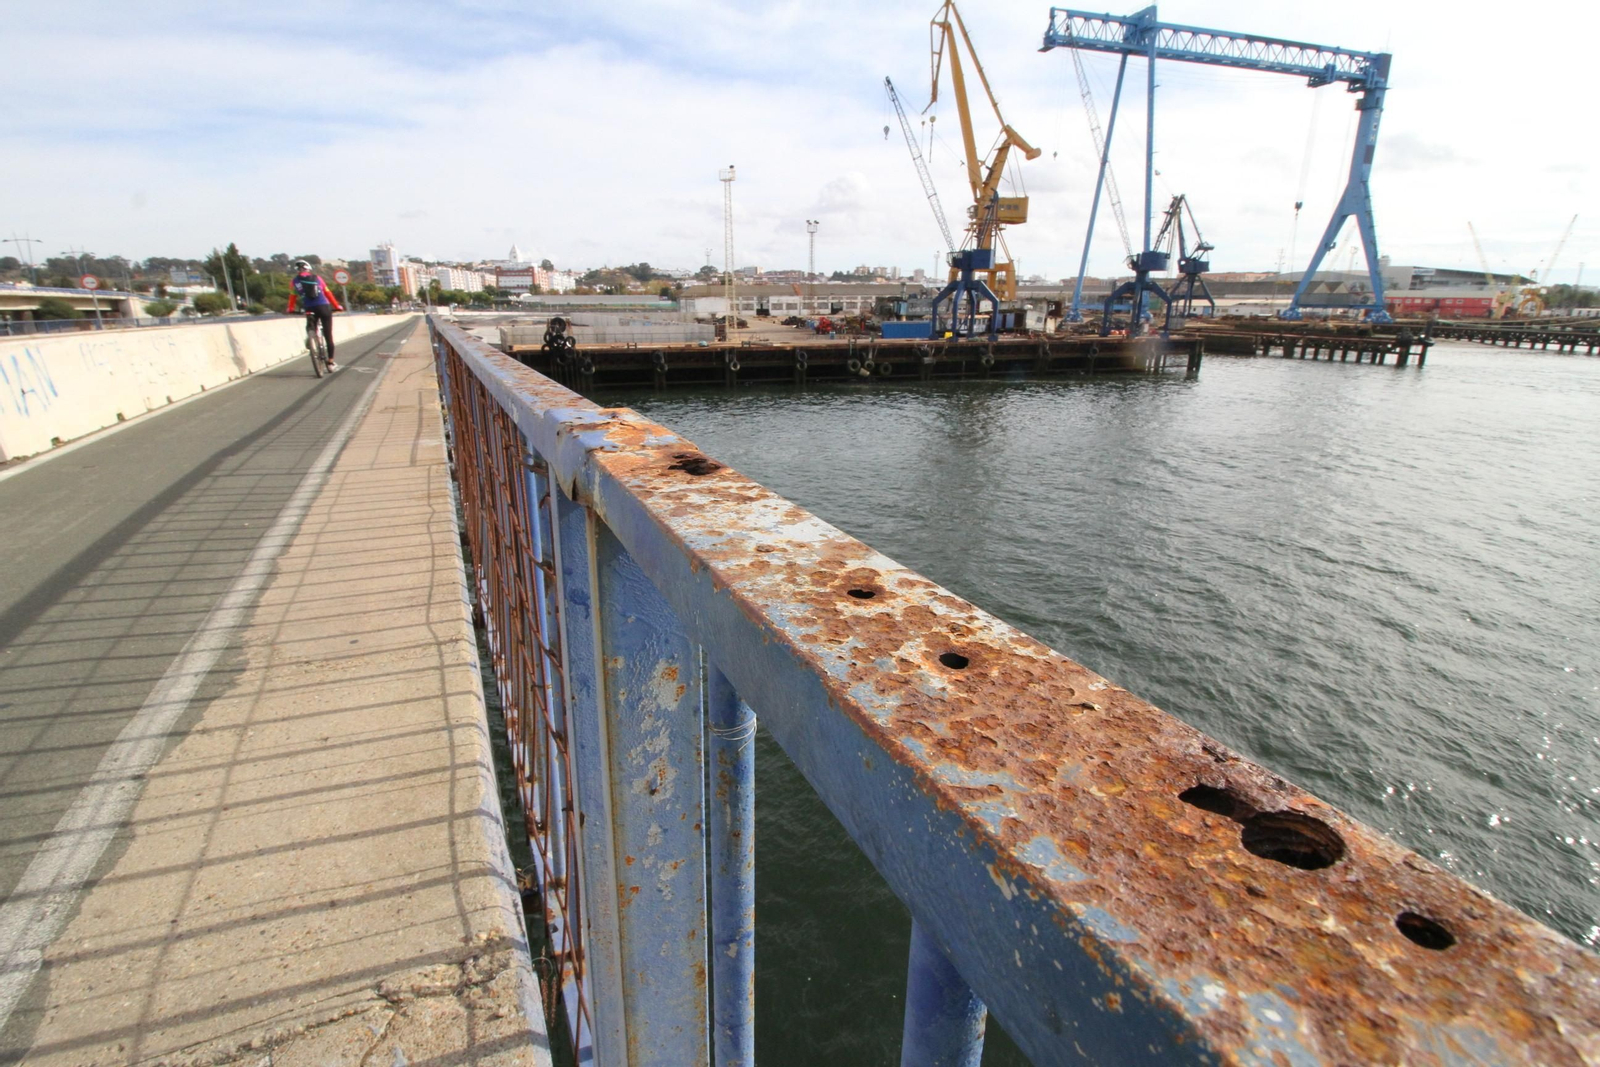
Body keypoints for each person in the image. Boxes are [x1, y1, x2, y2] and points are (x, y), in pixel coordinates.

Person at [286, 259, 344, 370]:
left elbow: (292, 296)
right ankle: (330, 363)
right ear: (308, 269)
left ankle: (311, 337)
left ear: (298, 270)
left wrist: (290, 308)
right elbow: (328, 293)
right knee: (328, 335)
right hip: (323, 307)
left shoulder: (294, 281)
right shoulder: (318, 278)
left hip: (309, 308)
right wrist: (337, 306)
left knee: (310, 324)